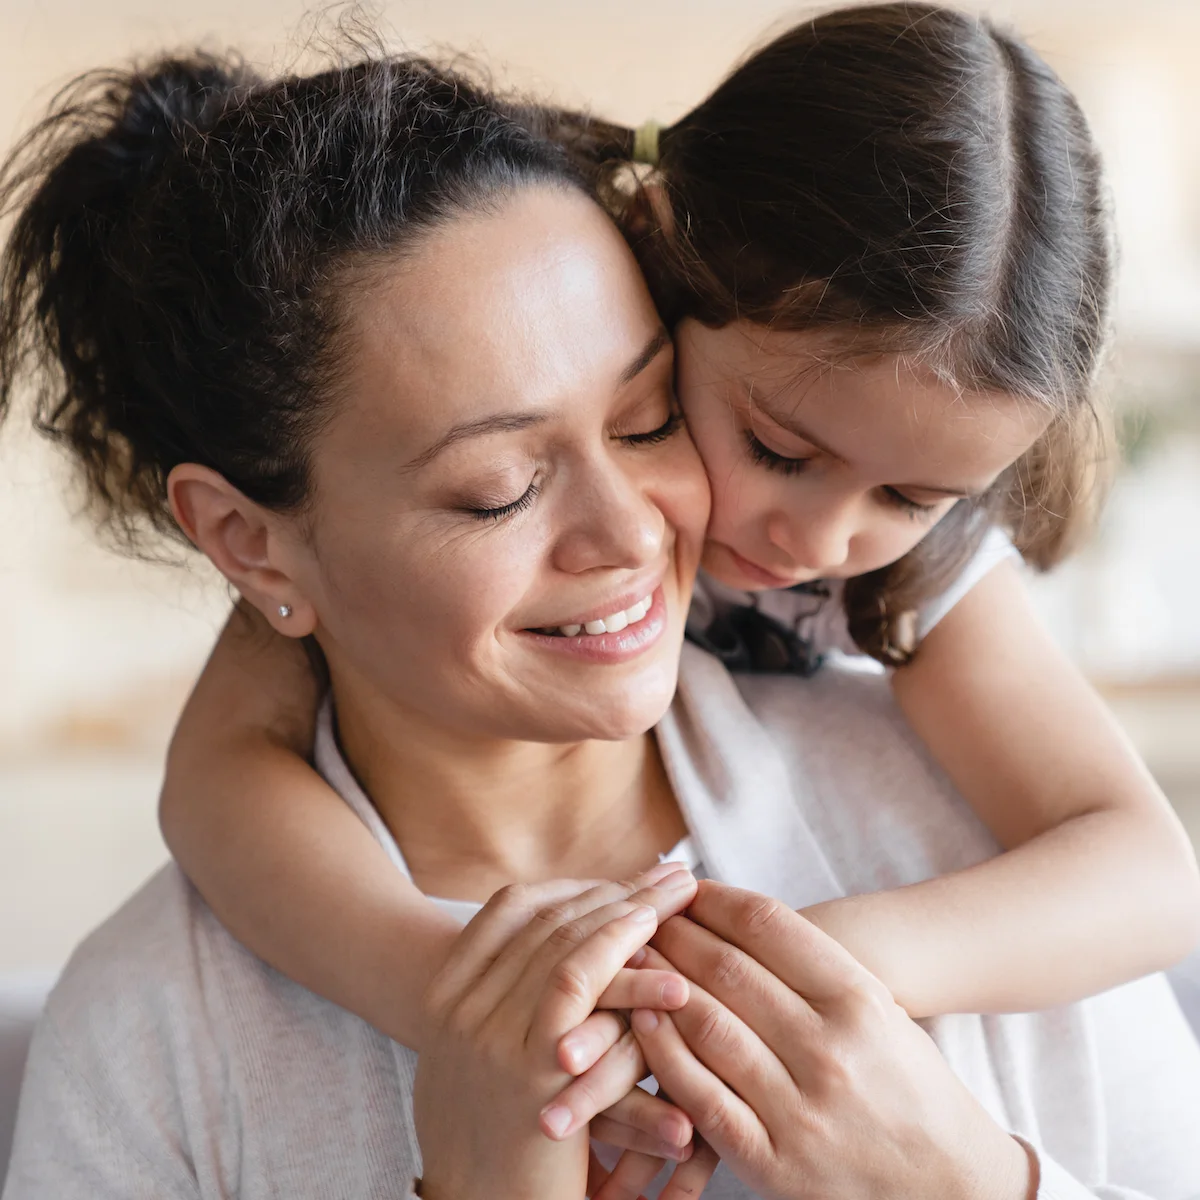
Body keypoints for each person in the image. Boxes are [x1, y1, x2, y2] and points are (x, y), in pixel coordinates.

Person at [3, 37, 1200, 1200]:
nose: (633, 532)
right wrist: (460, 1027)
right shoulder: (159, 1026)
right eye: (499, 489)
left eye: (644, 421)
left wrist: (964, 1184)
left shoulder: (951, 822)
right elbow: (210, 785)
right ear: (248, 541)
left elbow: (1146, 870)